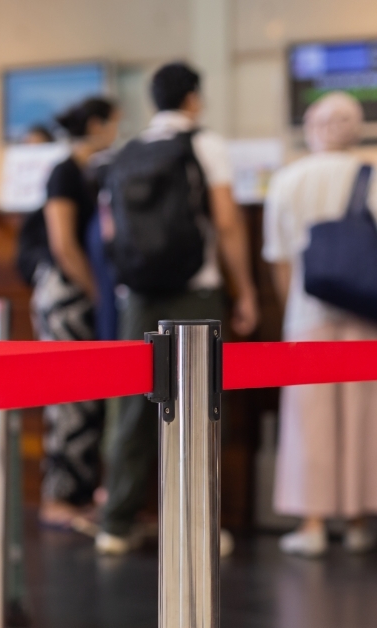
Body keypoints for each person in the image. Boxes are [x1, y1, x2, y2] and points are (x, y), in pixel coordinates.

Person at [96, 62, 259, 555]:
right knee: (200, 407)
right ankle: (199, 526)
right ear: (194, 98)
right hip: (196, 287)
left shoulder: (125, 152)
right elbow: (227, 223)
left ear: (152, 102)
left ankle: (115, 523)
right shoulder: (206, 145)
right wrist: (245, 289)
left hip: (138, 293)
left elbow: (108, 231)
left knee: (132, 406)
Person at [264, 92, 377, 557]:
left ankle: (311, 524)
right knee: (365, 415)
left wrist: (293, 305)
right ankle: (358, 520)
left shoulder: (287, 180)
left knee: (309, 419)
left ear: (310, 127)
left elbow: (279, 259)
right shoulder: (369, 176)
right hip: (365, 314)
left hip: (307, 314)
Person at [35, 97, 121, 529]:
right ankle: (58, 499)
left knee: (87, 400)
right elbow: (62, 245)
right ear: (96, 124)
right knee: (68, 398)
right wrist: (97, 291)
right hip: (67, 297)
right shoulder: (64, 172)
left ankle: (80, 495)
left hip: (83, 295)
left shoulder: (91, 172)